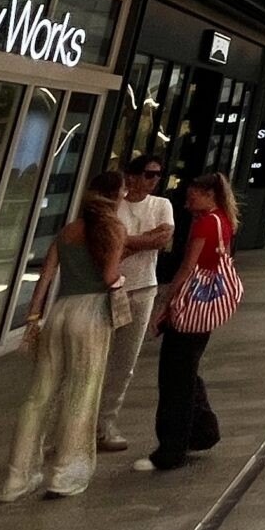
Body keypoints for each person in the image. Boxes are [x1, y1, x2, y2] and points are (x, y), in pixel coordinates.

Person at [1, 172, 125, 500]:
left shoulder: (67, 231)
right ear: (116, 197)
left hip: (59, 311)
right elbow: (111, 275)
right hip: (92, 313)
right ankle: (66, 474)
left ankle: (17, 477)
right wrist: (121, 284)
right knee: (82, 391)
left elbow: (44, 278)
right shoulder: (114, 230)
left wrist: (34, 316)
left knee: (38, 395)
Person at [137, 173, 238, 472]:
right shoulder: (224, 220)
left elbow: (186, 267)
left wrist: (166, 304)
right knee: (186, 370)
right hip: (207, 306)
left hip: (191, 305)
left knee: (175, 377)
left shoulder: (206, 223)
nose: (187, 202)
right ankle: (202, 430)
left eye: (193, 196)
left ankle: (172, 447)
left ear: (209, 194)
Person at [94, 158, 173, 455]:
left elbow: (163, 239)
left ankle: (105, 423)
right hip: (110, 290)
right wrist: (140, 240)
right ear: (131, 177)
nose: (154, 179)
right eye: (148, 174)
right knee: (96, 357)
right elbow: (107, 242)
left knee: (124, 361)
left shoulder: (161, 205)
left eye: (157, 174)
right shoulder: (115, 205)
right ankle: (79, 422)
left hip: (142, 288)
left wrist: (127, 242)